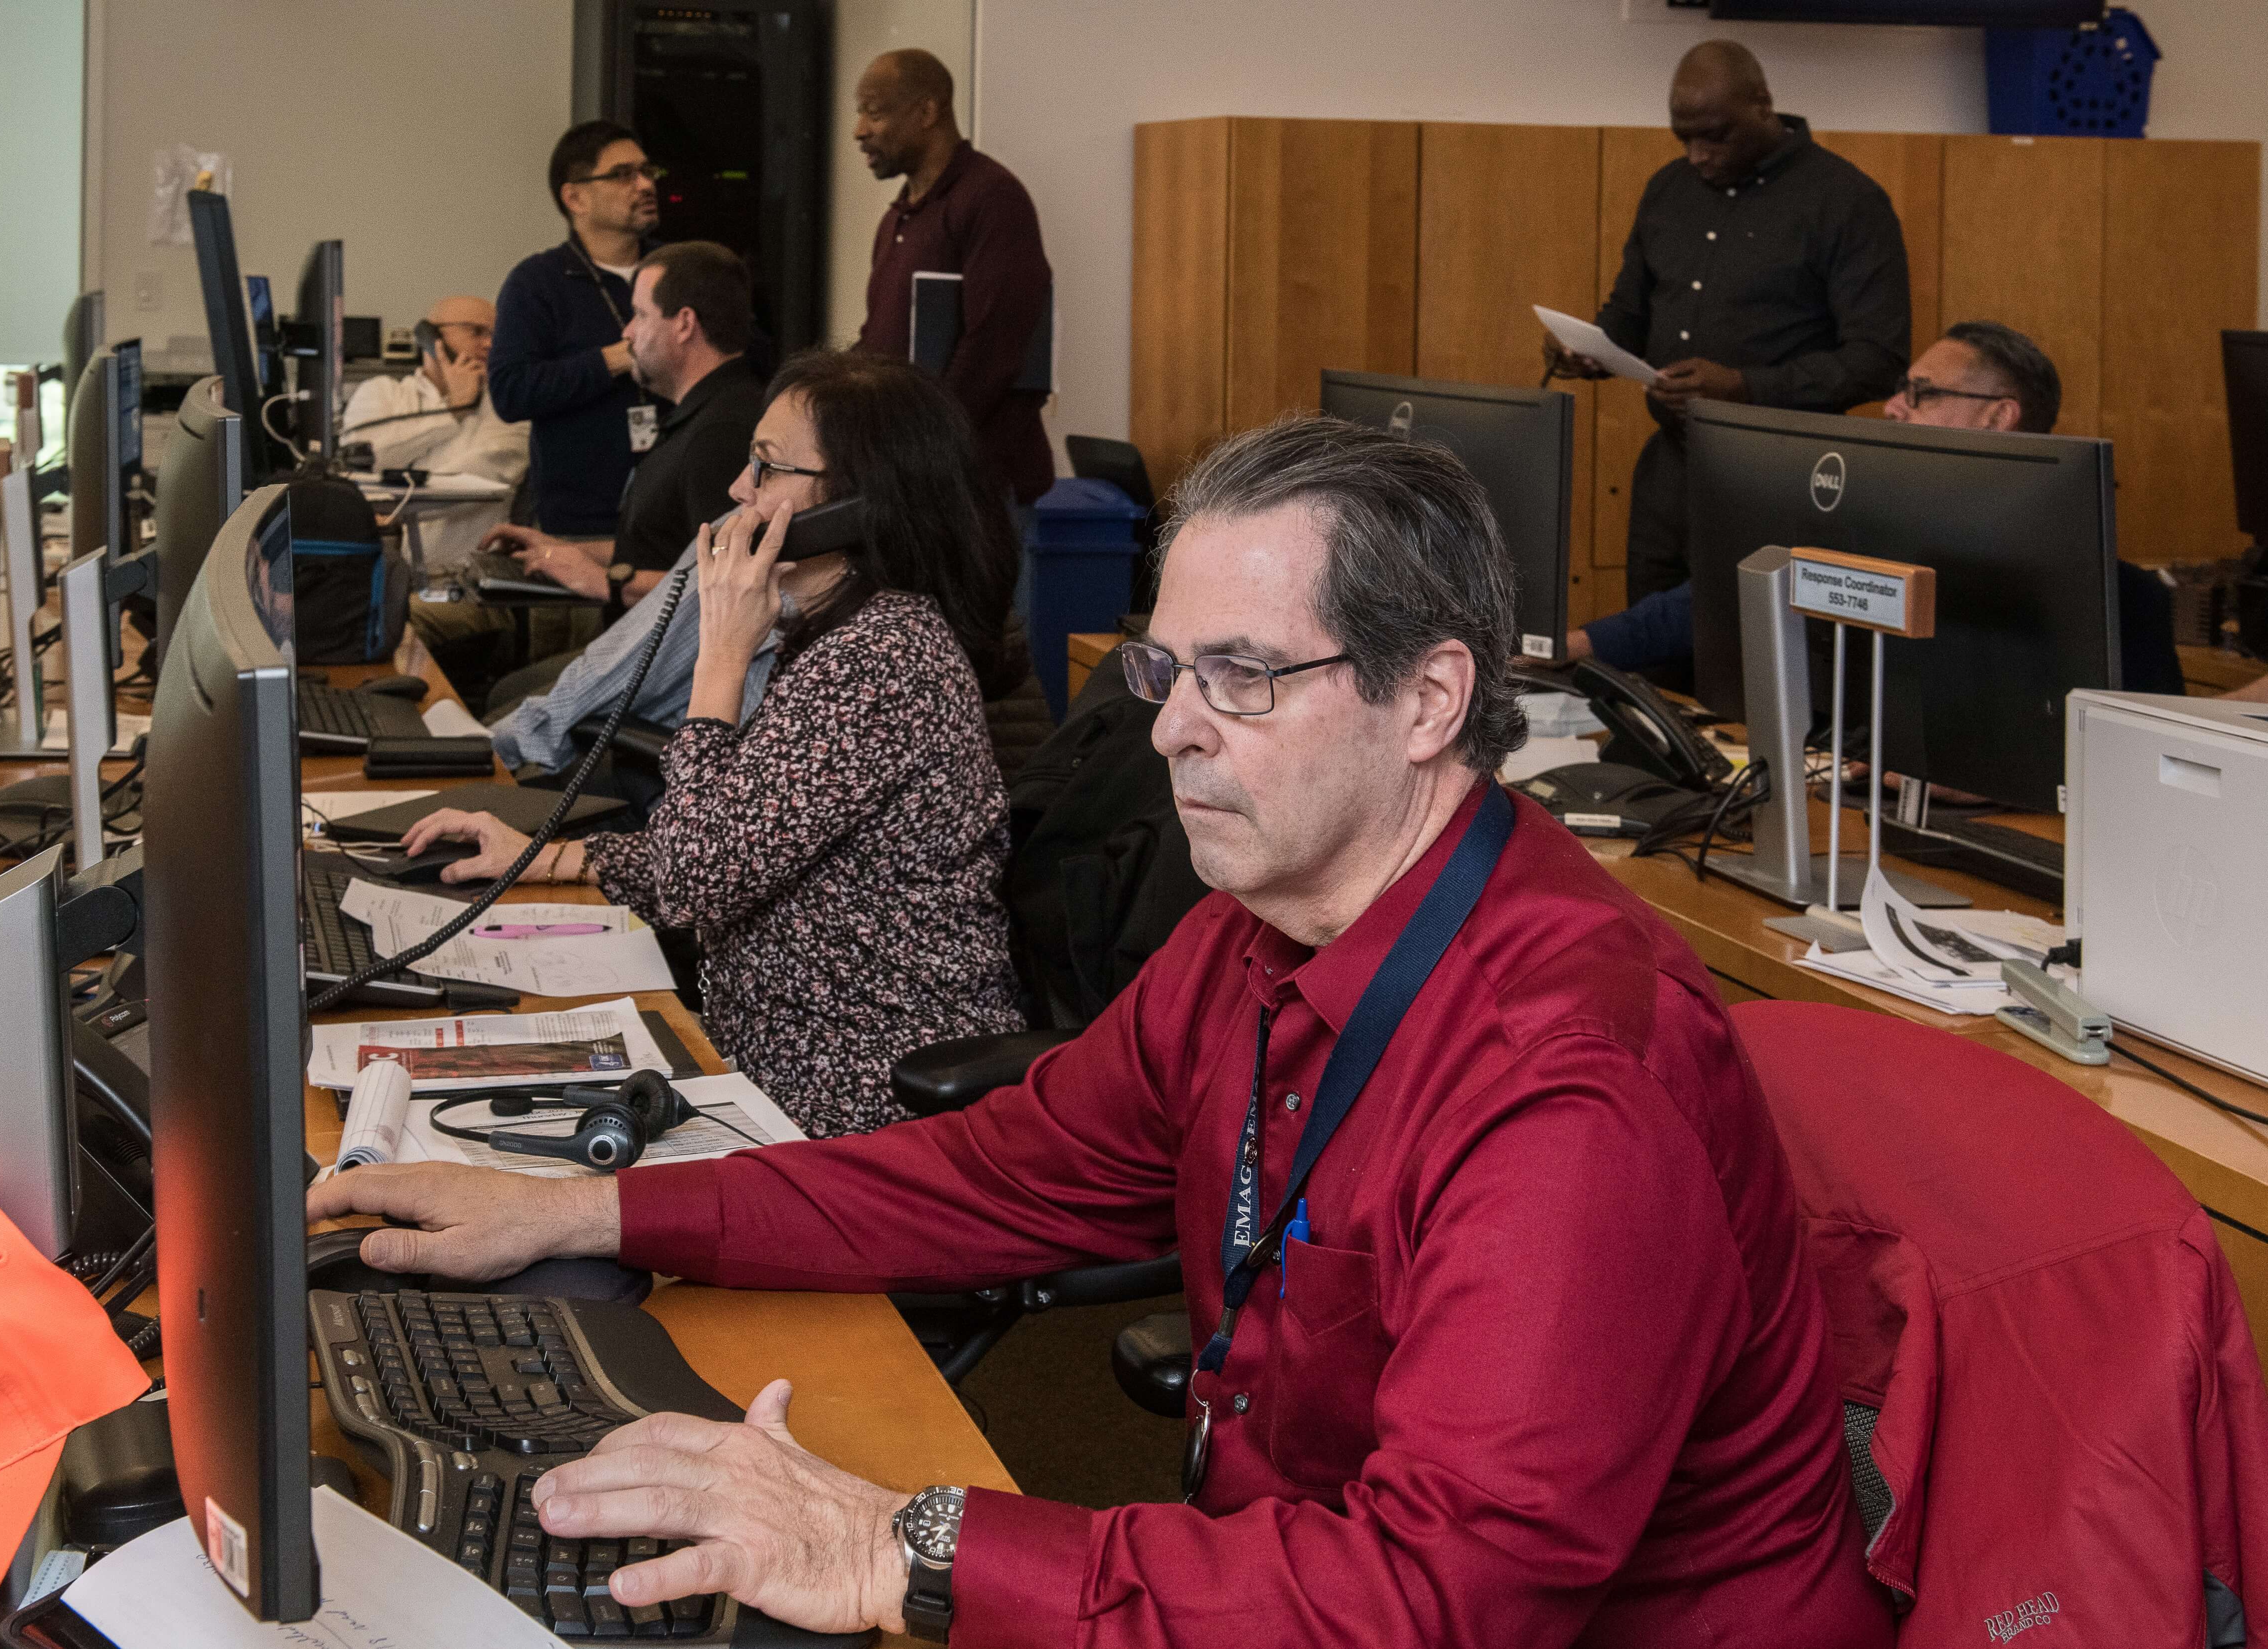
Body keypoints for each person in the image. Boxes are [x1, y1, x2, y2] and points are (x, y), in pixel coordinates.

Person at [311, 416, 1892, 1648]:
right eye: (1167, 667)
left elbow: (1436, 1598)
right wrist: (590, 1210)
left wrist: (897, 1543)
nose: (1171, 727)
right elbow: (1000, 1169)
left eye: (1242, 677)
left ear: (1427, 701)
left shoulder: (1569, 1084)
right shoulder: (1259, 932)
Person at [405, 351, 1024, 1137]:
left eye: (767, 467)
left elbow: (696, 877)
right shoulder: (834, 638)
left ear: (859, 502)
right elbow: (725, 844)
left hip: (858, 1094)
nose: (739, 488)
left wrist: (722, 657)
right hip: (774, 1061)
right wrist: (543, 857)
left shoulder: (882, 662)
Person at [1568, 320, 2187, 697]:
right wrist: (1571, 645)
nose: (1894, 408)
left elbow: (2136, 755)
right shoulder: (1870, 531)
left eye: (1922, 394)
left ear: (2000, 416)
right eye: (1900, 390)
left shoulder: (2116, 598)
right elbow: (1728, 596)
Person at [1552, 40, 1909, 603]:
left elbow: (1879, 360)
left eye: (1716, 136)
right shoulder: (1668, 190)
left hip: (1780, 477)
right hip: (1671, 470)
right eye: (1684, 138)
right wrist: (1590, 349)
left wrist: (1745, 387)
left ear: (1763, 106)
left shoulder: (1846, 200)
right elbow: (1630, 313)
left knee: (1748, 645)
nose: (1698, 155)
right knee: (1644, 643)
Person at [467, 242, 769, 720]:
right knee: (507, 695)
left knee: (501, 720)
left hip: (677, 678)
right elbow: (668, 549)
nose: (627, 334)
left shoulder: (722, 432)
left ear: (684, 324)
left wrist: (605, 582)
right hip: (649, 653)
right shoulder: (699, 416)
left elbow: (722, 588)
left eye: (640, 316)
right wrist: (562, 550)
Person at [854, 48, 1055, 512]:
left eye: (875, 112)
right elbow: (881, 341)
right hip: (914, 479)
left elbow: (995, 347)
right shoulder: (899, 217)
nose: (859, 131)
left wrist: (923, 443)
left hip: (975, 488)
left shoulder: (992, 198)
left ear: (927, 111)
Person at [491, 120, 666, 543]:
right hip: (578, 525)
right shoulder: (538, 282)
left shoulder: (679, 271)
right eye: (623, 175)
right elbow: (511, 392)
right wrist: (614, 360)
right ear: (576, 198)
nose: (645, 185)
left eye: (647, 172)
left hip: (678, 515)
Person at [340, 295, 531, 660]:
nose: (490, 344)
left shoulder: (511, 411)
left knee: (391, 622)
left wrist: (393, 488)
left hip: (466, 588)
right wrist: (451, 412)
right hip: (382, 582)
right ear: (431, 338)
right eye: (476, 332)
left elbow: (468, 483)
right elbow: (360, 462)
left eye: (497, 334)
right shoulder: (382, 392)